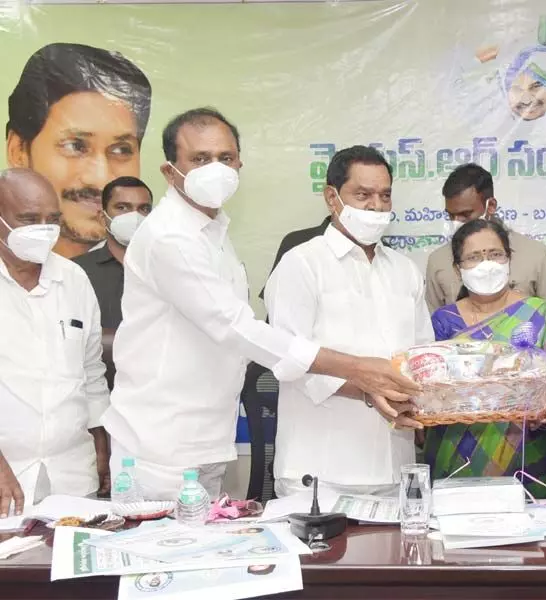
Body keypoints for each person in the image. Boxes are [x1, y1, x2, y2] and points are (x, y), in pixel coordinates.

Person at [101, 108, 420, 501]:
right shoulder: (171, 238)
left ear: (238, 164)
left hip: (205, 439)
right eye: (200, 159)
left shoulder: (213, 233)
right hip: (160, 445)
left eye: (225, 158)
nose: (215, 169)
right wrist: (359, 373)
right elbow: (238, 328)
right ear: (170, 172)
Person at [265, 146, 433, 497]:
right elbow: (289, 359)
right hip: (320, 474)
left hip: (394, 471)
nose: (376, 206)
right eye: (363, 195)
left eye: (385, 195)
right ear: (332, 197)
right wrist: (370, 391)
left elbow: (422, 358)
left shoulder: (405, 270)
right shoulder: (302, 264)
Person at [424, 219, 546, 497]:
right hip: (453, 455)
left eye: (495, 254)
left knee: (528, 534)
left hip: (525, 457)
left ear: (509, 260)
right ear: (458, 269)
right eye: (474, 257)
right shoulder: (441, 322)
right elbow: (425, 390)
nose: (486, 264)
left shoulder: (541, 314)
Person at [0, 169, 110, 518]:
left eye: (52, 219)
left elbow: (92, 370)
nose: (43, 229)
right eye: (29, 219)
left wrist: (101, 443)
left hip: (73, 475)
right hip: (7, 477)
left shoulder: (74, 279)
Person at [5, 43, 152, 259]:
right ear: (18, 151)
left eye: (121, 150)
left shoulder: (158, 268)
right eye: (75, 146)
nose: (100, 178)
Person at [426, 163, 546, 312]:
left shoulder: (535, 255)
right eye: (451, 215)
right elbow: (429, 328)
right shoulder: (438, 261)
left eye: (466, 214)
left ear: (491, 205)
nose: (457, 222)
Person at [72, 177, 153, 389]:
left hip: (157, 398)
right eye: (122, 207)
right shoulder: (76, 272)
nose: (134, 216)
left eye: (143, 209)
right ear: (102, 217)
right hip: (95, 396)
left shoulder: (168, 270)